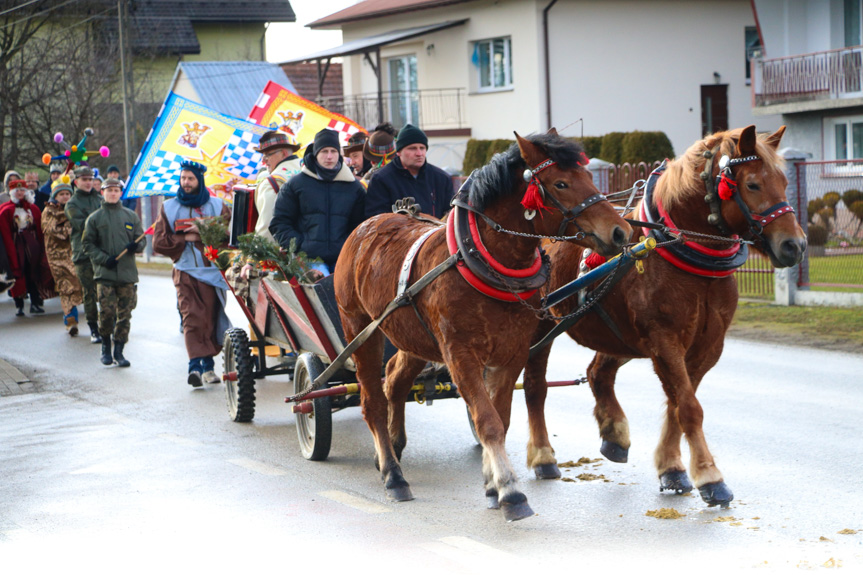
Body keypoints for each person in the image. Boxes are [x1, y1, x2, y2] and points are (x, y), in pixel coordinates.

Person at [152, 160, 232, 387]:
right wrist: (185, 237)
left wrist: (204, 230)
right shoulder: (168, 207)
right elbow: (159, 242)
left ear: (200, 180)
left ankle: (208, 367)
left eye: (190, 179)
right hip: (185, 272)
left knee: (210, 318)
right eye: (183, 178)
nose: (186, 183)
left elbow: (228, 237)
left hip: (212, 272)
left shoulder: (217, 206)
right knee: (192, 317)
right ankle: (194, 367)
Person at [269, 128, 365, 276]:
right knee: (323, 291)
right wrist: (299, 246)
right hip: (309, 259)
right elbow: (280, 223)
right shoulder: (296, 185)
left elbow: (361, 225)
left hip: (344, 258)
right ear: (315, 153)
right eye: (324, 151)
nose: (329, 156)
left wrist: (349, 247)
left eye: (333, 151)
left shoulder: (354, 187)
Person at [82, 178, 145, 367]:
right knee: (107, 313)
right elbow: (87, 245)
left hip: (127, 274)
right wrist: (102, 259)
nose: (113, 193)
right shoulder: (94, 218)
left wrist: (136, 246)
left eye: (116, 190)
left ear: (120, 193)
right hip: (105, 274)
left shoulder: (130, 216)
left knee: (125, 315)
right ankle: (105, 347)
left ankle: (119, 350)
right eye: (109, 190)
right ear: (102, 192)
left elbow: (141, 240)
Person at [364, 123, 454, 219]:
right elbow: (376, 221)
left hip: (436, 232)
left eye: (422, 148)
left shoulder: (441, 178)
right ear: (398, 152)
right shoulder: (381, 179)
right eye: (412, 148)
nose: (419, 153)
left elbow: (450, 216)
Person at [0, 179, 54, 316]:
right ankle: (19, 304)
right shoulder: (6, 210)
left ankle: (35, 302)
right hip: (15, 244)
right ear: (12, 192)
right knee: (17, 272)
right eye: (17, 190)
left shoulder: (33, 208)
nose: (20, 193)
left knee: (34, 272)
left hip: (32, 245)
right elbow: (5, 232)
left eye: (22, 190)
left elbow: (40, 228)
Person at [65, 166, 103, 343]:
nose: (88, 182)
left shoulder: (100, 199)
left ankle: (107, 325)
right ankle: (94, 328)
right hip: (84, 254)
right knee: (89, 292)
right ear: (76, 181)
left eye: (90, 179)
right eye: (85, 179)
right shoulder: (72, 204)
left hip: (103, 252)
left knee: (106, 291)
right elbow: (83, 226)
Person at [42, 180, 84, 336]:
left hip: (75, 253)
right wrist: (71, 224)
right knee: (66, 287)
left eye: (67, 194)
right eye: (61, 194)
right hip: (57, 256)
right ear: (55, 196)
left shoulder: (75, 208)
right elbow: (56, 232)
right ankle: (71, 320)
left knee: (78, 285)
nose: (65, 197)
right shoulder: (48, 211)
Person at [253, 130, 302, 241]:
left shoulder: (272, 183)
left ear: (283, 153)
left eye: (267, 155)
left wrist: (256, 255)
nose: (263, 161)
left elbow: (266, 229)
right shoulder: (312, 170)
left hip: (288, 250)